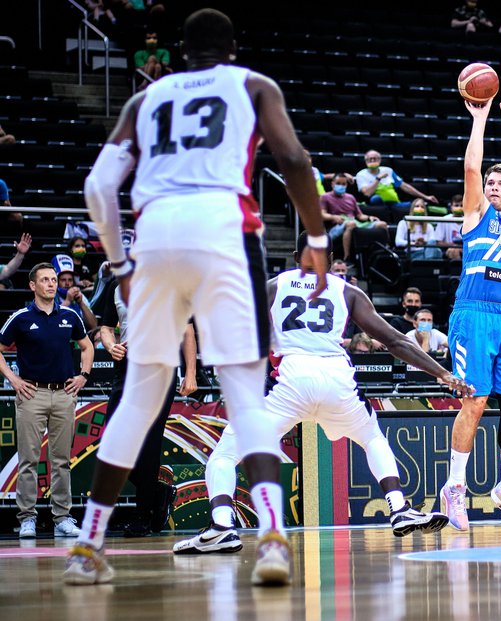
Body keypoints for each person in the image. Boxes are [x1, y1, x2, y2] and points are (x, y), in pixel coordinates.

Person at [65, 9, 330, 586]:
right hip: (225, 230)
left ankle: (87, 547)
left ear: (182, 53)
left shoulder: (145, 99)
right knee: (244, 394)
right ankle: (271, 542)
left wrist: (118, 262)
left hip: (155, 234)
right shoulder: (253, 85)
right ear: (231, 48)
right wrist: (316, 240)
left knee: (138, 397)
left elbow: (97, 187)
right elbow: (295, 161)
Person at [173, 235, 471, 555]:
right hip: (336, 379)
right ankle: (398, 507)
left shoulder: (274, 286)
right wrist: (443, 373)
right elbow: (396, 341)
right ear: (330, 259)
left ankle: (222, 525)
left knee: (225, 455)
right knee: (372, 438)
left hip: (291, 379)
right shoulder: (347, 291)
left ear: (294, 255)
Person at [439, 88, 501, 533]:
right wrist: (479, 119)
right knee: (475, 402)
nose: (493, 186)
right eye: (490, 183)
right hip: (473, 314)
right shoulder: (474, 212)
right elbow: (470, 167)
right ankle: (454, 488)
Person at [99, 264, 197, 537]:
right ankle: (157, 492)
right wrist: (110, 345)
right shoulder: (117, 286)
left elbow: (187, 330)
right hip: (127, 365)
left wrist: (190, 372)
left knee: (150, 441)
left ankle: (143, 515)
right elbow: (105, 327)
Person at [0, 262, 94, 539]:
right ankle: (27, 518)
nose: (52, 284)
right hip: (32, 393)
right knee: (29, 459)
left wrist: (84, 376)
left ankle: (62, 518)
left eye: (54, 279)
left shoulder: (69, 315)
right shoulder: (19, 317)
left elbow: (87, 345)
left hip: (64, 393)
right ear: (33, 285)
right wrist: (14, 380)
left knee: (61, 460)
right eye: (45, 280)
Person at [321, 172, 387, 263]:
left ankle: (383, 253)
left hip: (354, 222)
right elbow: (322, 214)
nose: (341, 186)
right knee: (351, 224)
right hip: (335, 227)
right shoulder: (325, 197)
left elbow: (360, 215)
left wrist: (369, 218)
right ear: (332, 184)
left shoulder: (350, 197)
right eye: (338, 183)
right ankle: (347, 257)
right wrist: (333, 217)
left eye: (344, 184)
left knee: (382, 224)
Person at [355, 150, 437, 214]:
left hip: (394, 204)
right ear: (365, 161)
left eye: (375, 159)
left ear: (379, 160)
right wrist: (378, 179)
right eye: (369, 159)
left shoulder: (388, 170)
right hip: (376, 204)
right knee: (376, 198)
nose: (372, 161)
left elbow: (404, 186)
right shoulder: (361, 174)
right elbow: (367, 193)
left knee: (416, 206)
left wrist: (425, 197)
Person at [52, 254, 98, 332]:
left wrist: (81, 303)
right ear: (56, 281)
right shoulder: (50, 296)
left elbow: (94, 326)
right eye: (63, 280)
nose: (67, 283)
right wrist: (67, 302)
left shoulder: (80, 296)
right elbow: (49, 322)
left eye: (70, 280)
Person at [432, 194, 465, 260]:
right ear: (451, 207)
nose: (459, 208)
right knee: (454, 251)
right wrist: (453, 246)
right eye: (456, 205)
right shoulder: (444, 220)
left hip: (465, 248)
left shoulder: (469, 220)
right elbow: (439, 242)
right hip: (448, 249)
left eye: (461, 205)